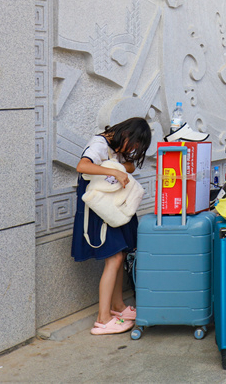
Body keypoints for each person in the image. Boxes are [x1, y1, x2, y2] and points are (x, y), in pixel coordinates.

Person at [72, 117, 152, 335]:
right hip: (98, 209)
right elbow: (82, 165)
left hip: (111, 208)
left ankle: (117, 306)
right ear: (126, 134)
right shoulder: (99, 144)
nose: (133, 150)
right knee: (115, 257)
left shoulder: (115, 145)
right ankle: (103, 318)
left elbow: (131, 166)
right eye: (134, 145)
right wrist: (114, 171)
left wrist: (116, 166)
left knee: (121, 254)